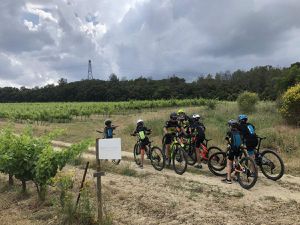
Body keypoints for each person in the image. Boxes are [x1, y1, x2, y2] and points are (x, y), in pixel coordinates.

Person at [222, 119, 243, 184]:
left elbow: (228, 141)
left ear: (230, 126)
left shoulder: (230, 132)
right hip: (239, 149)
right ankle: (236, 177)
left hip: (232, 149)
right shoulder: (239, 132)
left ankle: (228, 179)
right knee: (237, 161)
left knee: (229, 163)